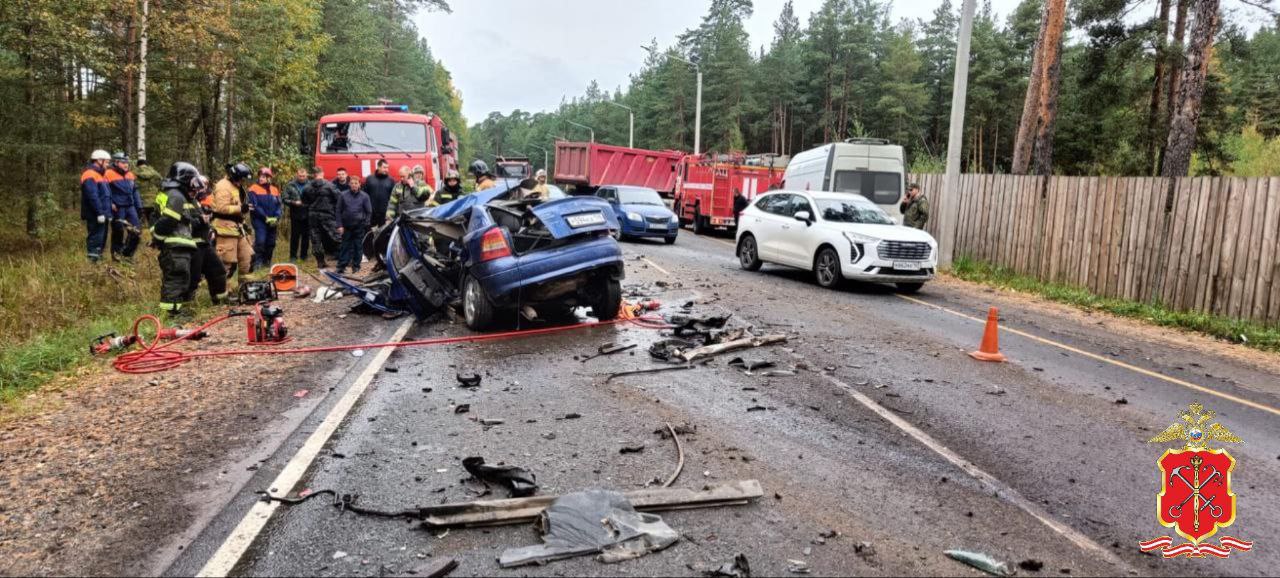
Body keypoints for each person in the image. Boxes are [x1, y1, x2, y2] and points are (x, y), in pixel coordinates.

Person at [151, 162, 201, 321]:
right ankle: (171, 316)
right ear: (184, 179)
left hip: (177, 245)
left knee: (181, 278)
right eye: (192, 181)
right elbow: (167, 221)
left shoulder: (173, 194)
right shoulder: (176, 195)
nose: (194, 185)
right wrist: (158, 239)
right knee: (176, 279)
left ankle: (177, 312)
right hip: (174, 245)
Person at [186, 175, 228, 305]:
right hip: (192, 244)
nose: (199, 190)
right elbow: (182, 223)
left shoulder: (195, 201)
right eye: (196, 188)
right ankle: (187, 306)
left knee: (218, 270)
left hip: (205, 243)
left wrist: (210, 229)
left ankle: (220, 301)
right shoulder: (180, 200)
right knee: (193, 277)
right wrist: (200, 220)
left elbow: (203, 219)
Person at [211, 162, 255, 286]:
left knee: (248, 257)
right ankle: (223, 293)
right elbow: (221, 208)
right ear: (234, 177)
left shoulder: (236, 186)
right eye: (241, 179)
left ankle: (247, 287)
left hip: (238, 228)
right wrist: (241, 208)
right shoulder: (223, 186)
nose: (242, 182)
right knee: (228, 263)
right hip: (225, 229)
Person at [105, 152, 143, 262]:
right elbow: (105, 191)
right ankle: (116, 255)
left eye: (127, 162)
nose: (126, 164)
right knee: (118, 231)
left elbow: (135, 191)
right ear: (116, 162)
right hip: (117, 207)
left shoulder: (130, 174)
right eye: (123, 162)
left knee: (136, 231)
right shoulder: (108, 174)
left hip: (130, 206)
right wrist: (110, 204)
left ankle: (127, 255)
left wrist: (139, 206)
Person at [303, 167, 341, 270]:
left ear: (313, 175)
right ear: (322, 173)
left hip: (313, 216)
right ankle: (345, 259)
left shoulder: (307, 188)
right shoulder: (330, 186)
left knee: (316, 239)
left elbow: (304, 202)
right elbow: (339, 199)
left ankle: (320, 262)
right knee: (337, 237)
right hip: (327, 215)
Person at [80, 150, 112, 262]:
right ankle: (93, 260)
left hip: (102, 212)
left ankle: (98, 257)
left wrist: (108, 211)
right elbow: (92, 196)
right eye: (107, 162)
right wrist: (99, 213)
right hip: (95, 213)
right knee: (95, 236)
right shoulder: (89, 174)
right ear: (99, 160)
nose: (108, 165)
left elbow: (105, 195)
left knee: (102, 237)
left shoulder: (100, 175)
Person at [335, 177, 371, 275]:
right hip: (346, 226)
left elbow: (368, 212)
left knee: (358, 247)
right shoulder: (343, 195)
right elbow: (338, 211)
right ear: (349, 184)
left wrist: (365, 223)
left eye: (356, 183)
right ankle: (341, 267)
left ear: (359, 184)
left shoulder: (365, 196)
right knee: (344, 246)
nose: (354, 185)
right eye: (352, 183)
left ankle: (356, 266)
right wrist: (339, 225)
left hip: (359, 226)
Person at [249, 167, 282, 269]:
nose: (261, 178)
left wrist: (276, 217)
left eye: (263, 177)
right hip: (259, 220)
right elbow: (255, 206)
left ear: (269, 178)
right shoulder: (253, 188)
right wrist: (265, 217)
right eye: (260, 176)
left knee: (271, 242)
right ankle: (257, 262)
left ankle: (267, 261)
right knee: (260, 241)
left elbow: (279, 205)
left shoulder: (275, 189)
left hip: (272, 220)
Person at [283, 168, 310, 261]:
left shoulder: (311, 185)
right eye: (300, 176)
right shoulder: (290, 185)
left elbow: (315, 198)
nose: (302, 178)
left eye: (303, 176)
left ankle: (304, 256)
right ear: (296, 175)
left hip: (307, 213)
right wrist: (294, 202)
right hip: (295, 213)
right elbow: (284, 199)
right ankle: (293, 256)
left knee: (306, 236)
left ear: (307, 175)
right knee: (295, 236)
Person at [362, 159, 396, 229]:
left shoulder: (391, 180)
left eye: (387, 168)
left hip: (385, 214)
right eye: (384, 167)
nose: (386, 170)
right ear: (378, 167)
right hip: (371, 214)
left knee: (384, 236)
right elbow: (364, 196)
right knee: (370, 235)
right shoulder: (369, 179)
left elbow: (394, 198)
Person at [134, 158, 163, 227]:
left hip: (139, 203)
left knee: (139, 225)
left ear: (137, 165)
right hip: (153, 203)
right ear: (147, 165)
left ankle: (140, 237)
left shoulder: (133, 174)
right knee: (153, 224)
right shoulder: (156, 174)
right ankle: (153, 236)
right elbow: (161, 187)